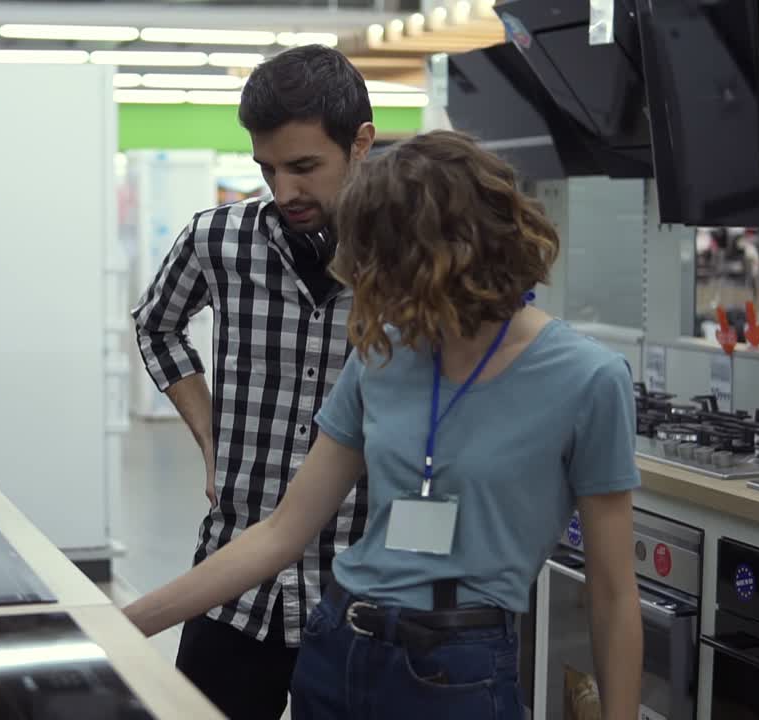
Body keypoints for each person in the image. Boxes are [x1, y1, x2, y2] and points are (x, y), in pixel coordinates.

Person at [125, 131, 643, 720]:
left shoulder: (588, 379)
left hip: (456, 674)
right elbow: (279, 535)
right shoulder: (384, 355)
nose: (368, 290)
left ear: (449, 257)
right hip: (336, 649)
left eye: (384, 269)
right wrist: (122, 626)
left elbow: (612, 594)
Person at [130, 45, 375, 719]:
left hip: (360, 594)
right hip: (234, 581)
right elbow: (156, 326)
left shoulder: (407, 256)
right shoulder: (218, 240)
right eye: (267, 168)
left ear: (361, 143)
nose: (284, 190)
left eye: (304, 167)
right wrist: (209, 433)